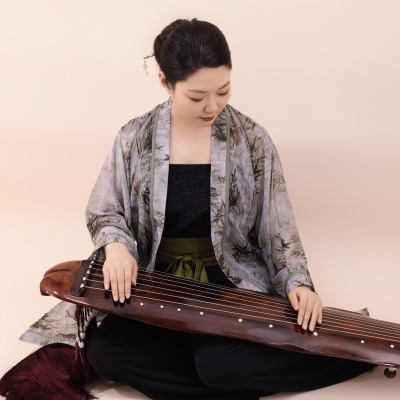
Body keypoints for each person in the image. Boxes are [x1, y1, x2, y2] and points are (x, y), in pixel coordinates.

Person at [85, 18, 373, 400]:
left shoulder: (252, 140)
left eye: (223, 91)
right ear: (165, 82)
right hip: (159, 282)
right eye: (196, 96)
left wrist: (298, 282)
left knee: (219, 364)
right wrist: (117, 248)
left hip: (228, 285)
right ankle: (224, 384)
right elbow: (104, 209)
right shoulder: (133, 138)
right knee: (104, 353)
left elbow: (277, 227)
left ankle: (348, 359)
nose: (213, 106)